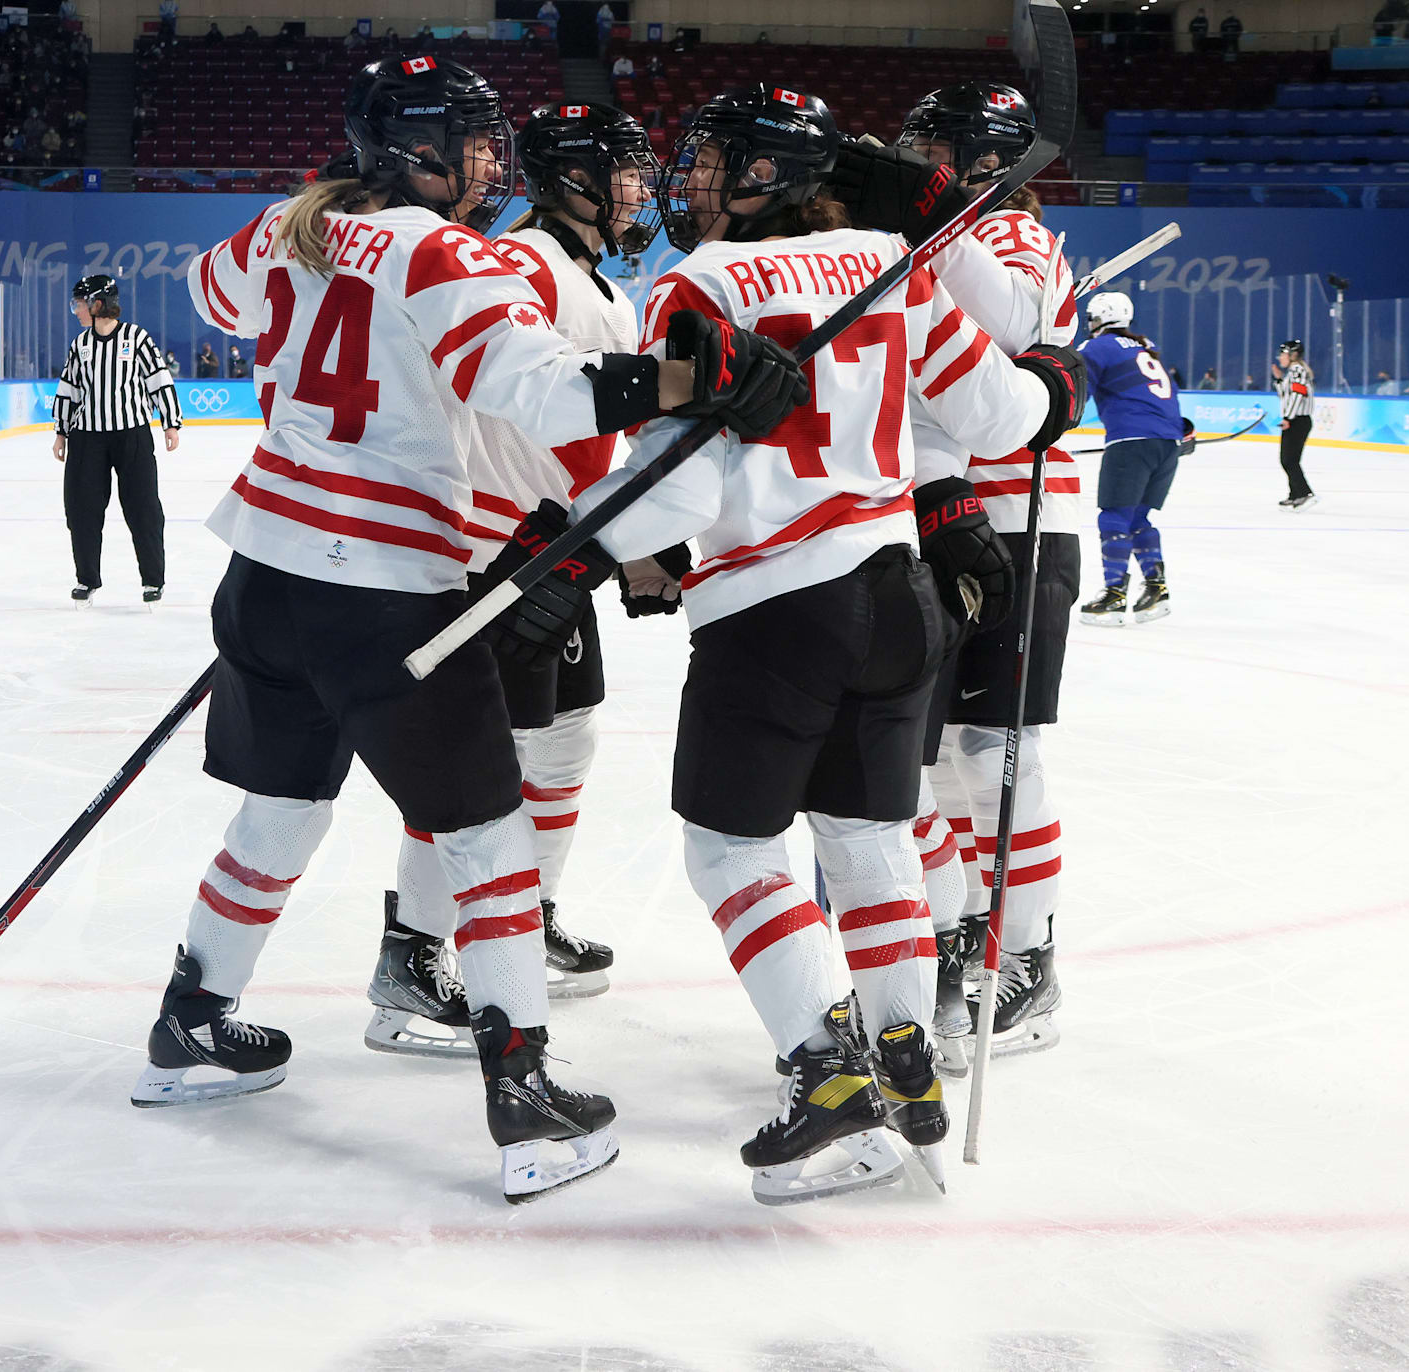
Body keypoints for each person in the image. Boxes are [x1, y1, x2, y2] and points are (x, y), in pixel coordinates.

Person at [168, 54, 784, 1202]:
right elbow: (545, 394)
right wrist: (688, 381)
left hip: (265, 571)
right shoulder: (448, 253)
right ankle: (525, 1095)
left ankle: (191, 1020)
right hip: (385, 588)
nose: (495, 163)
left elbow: (206, 291)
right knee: (492, 840)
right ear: (418, 147)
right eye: (476, 141)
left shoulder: (282, 231)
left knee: (280, 809)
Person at [567, 85, 1083, 1203]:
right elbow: (1002, 415)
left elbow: (678, 487)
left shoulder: (699, 282)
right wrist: (1051, 388)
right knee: (869, 833)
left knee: (729, 849)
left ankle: (828, 1076)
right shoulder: (889, 264)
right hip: (898, 595)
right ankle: (904, 1061)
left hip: (774, 611)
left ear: (768, 176)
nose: (690, 181)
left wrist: (578, 551)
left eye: (715, 162)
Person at [366, 103, 663, 1059]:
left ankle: (526, 913)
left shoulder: (606, 290)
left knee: (564, 741)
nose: (637, 188)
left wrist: (619, 536)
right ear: (569, 176)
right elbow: (495, 397)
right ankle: (411, 953)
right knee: (481, 764)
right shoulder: (524, 263)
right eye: (618, 169)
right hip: (501, 550)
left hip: (558, 546)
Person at [831, 79, 1085, 1072]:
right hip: (924, 515)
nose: (915, 156)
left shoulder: (1013, 237)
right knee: (927, 761)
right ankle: (958, 927)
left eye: (935, 146)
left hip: (1018, 521)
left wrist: (932, 216)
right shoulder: (906, 243)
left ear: (986, 162)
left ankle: (1025, 954)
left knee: (992, 751)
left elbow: (1016, 320)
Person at [54, 273, 183, 605]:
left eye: (79, 304)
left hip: (133, 436)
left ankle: (153, 580)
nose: (76, 310)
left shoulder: (136, 338)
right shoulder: (80, 345)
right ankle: (87, 579)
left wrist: (171, 422)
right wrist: (61, 432)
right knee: (81, 509)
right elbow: (69, 390)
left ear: (98, 304)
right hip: (87, 439)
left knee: (143, 509)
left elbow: (159, 379)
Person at [1076, 293, 1192, 627]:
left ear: (1098, 319)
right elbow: (1169, 397)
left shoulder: (1097, 348)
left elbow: (1076, 389)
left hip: (1131, 442)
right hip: (1168, 442)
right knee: (1138, 517)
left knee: (1113, 516)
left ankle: (1114, 595)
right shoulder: (1146, 348)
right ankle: (1156, 589)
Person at [1276, 338, 1317, 509]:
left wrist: (1288, 418)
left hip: (1297, 420)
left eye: (1283, 354)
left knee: (1289, 460)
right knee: (1288, 459)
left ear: (1292, 355)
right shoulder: (1292, 372)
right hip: (1295, 420)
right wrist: (1278, 380)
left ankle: (1304, 492)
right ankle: (1294, 494)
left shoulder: (1297, 371)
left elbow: (1297, 395)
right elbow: (1285, 396)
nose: (1280, 358)